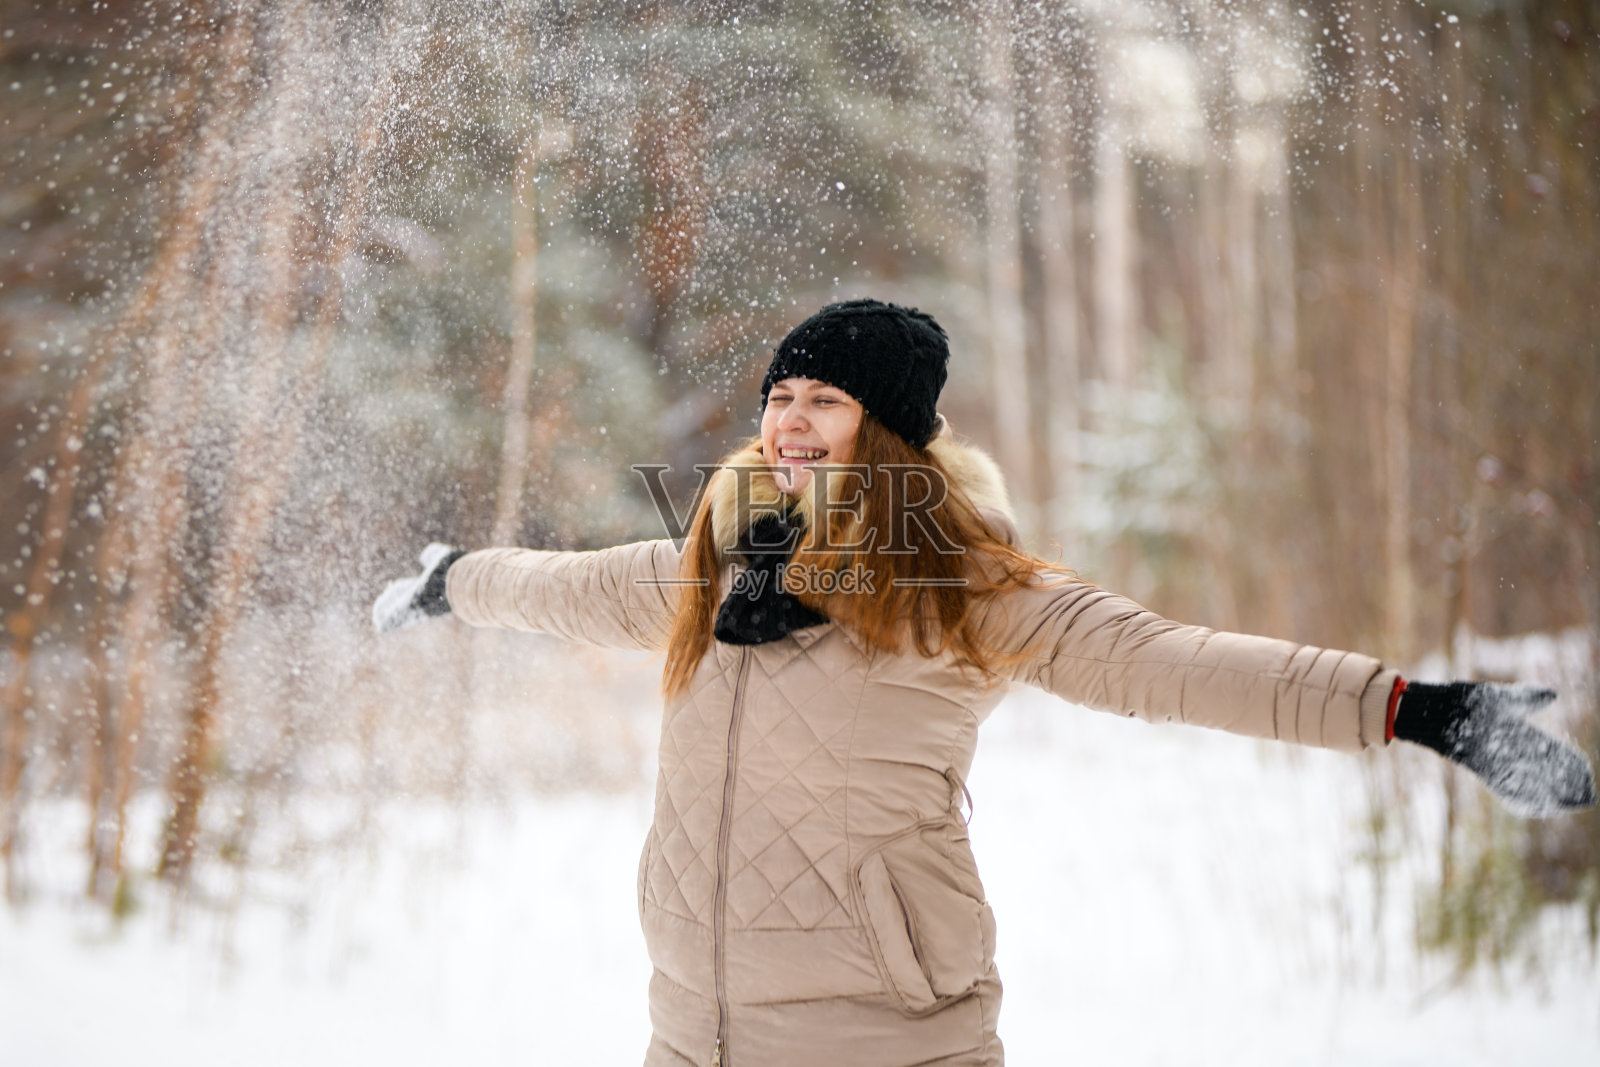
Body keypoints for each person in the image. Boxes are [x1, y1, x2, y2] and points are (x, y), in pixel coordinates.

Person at [373, 298, 1595, 1067]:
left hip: (889, 1041)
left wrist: (1415, 707)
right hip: (690, 1033)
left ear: (889, 430)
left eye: (826, 401)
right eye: (779, 398)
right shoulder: (706, 570)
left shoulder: (958, 588)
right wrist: (454, 577)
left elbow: (1167, 662)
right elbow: (560, 586)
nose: (790, 423)